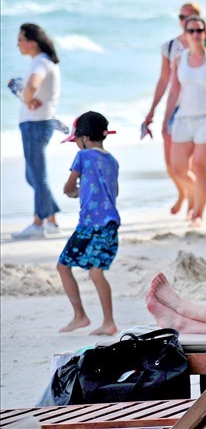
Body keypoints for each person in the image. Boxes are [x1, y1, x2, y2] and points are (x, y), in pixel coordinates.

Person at [161, 15, 206, 226]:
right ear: (185, 35)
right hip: (184, 119)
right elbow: (174, 92)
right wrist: (165, 121)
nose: (195, 34)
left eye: (199, 30)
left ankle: (198, 213)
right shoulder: (179, 60)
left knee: (199, 168)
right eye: (191, 31)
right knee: (177, 169)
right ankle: (194, 195)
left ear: (205, 33)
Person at [57, 112, 119, 335]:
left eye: (75, 141)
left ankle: (80, 316)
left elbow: (69, 186)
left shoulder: (82, 158)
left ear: (83, 138)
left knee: (63, 266)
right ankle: (108, 321)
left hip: (89, 225)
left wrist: (72, 192)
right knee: (96, 272)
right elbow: (113, 191)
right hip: (110, 223)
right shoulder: (112, 160)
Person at [143, 1, 201, 216]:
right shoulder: (170, 47)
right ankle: (184, 193)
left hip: (198, 111)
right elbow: (163, 80)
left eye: (190, 16)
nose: (185, 21)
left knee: (192, 164)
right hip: (175, 110)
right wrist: (152, 111)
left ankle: (196, 202)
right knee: (172, 165)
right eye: (181, 17)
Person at [13, 23, 62, 239]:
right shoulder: (43, 61)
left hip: (35, 124)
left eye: (20, 39)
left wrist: (26, 97)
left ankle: (37, 223)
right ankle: (51, 220)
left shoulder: (40, 62)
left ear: (31, 42)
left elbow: (33, 85)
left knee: (37, 175)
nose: (18, 44)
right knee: (31, 175)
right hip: (39, 123)